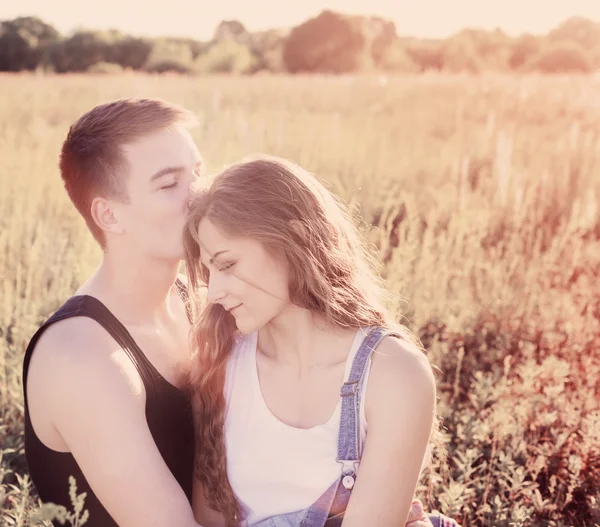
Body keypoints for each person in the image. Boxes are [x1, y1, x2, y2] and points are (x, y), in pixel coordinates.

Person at [22, 98, 448, 527]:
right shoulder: (79, 355)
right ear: (109, 214)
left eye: (198, 173)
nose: (199, 196)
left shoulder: (211, 306)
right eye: (169, 184)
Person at [182, 155, 459, 526]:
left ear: (294, 240)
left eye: (228, 265)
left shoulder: (393, 374)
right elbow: (211, 519)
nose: (213, 291)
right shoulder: (217, 366)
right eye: (208, 270)